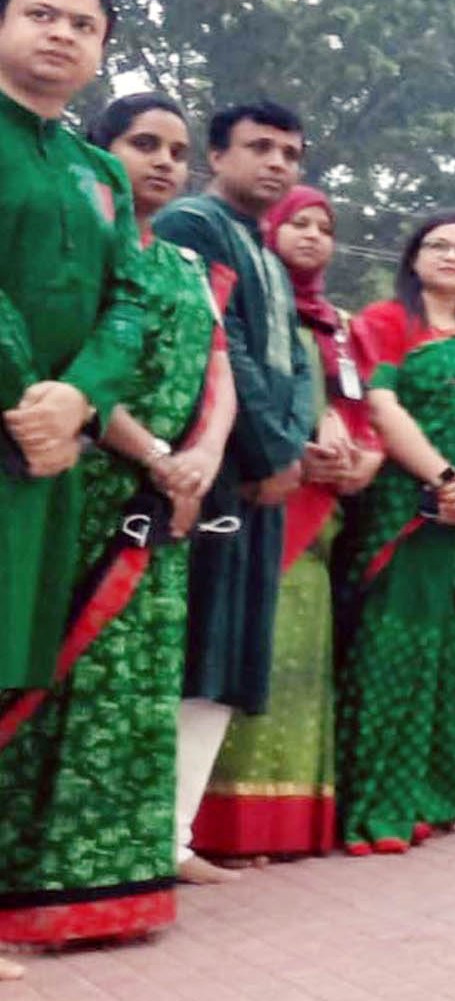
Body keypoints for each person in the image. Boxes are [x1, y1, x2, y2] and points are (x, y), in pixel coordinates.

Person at [0, 90, 229, 958]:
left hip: (170, 503)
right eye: (143, 144)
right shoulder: (83, 246)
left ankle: (123, 889)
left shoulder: (182, 267)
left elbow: (216, 370)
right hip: (85, 483)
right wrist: (155, 456)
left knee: (137, 696)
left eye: (177, 148)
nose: (165, 161)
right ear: (99, 158)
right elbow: (79, 358)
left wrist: (201, 457)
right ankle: (38, 888)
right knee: (62, 682)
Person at [155, 99, 319, 882]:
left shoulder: (262, 248)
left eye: (290, 151)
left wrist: (293, 446)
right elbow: (228, 355)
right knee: (195, 651)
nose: (278, 163)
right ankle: (155, 837)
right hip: (210, 472)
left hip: (259, 476)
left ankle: (174, 838)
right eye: (260, 147)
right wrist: (274, 450)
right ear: (216, 156)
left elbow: (294, 368)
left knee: (227, 656)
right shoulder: (195, 227)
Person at [192, 187, 381, 862]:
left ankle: (288, 828)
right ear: (269, 231)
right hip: (259, 491)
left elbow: (362, 410)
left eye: (324, 227)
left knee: (301, 668)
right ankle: (214, 831)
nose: (311, 236)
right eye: (296, 223)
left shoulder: (340, 325)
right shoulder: (249, 307)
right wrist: (290, 446)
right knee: (243, 657)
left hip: (321, 517)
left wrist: (362, 457)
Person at [335, 214, 455, 853]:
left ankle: (431, 800)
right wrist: (443, 476)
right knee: (389, 650)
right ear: (413, 257)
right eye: (437, 245)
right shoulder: (386, 322)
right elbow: (380, 407)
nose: (450, 256)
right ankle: (375, 808)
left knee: (447, 655)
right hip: (401, 509)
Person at [0, 0, 150, 693]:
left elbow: (129, 302)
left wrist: (78, 397)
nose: (62, 33)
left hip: (48, 457)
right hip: (25, 426)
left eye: (83, 25)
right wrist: (37, 398)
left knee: (15, 665)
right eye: (40, 14)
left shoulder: (101, 173)